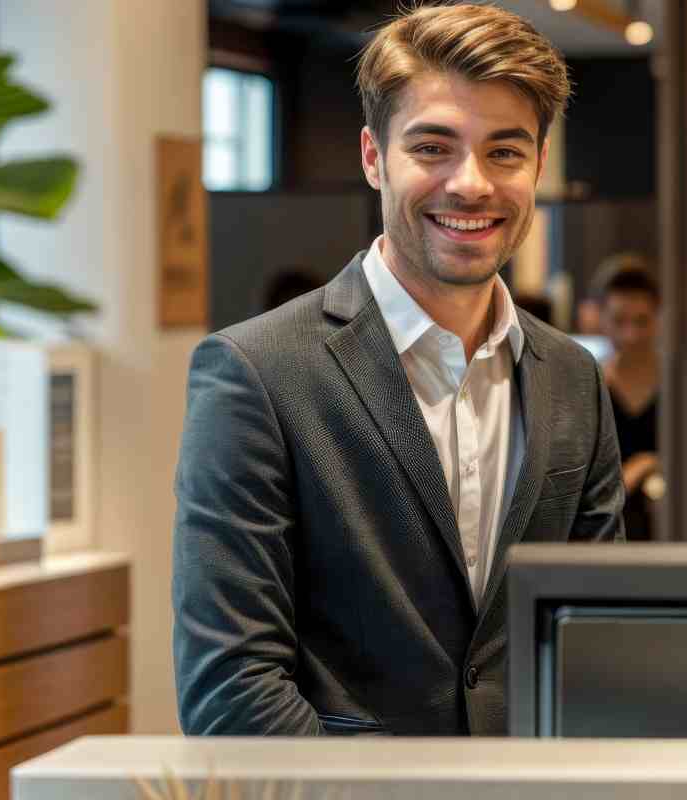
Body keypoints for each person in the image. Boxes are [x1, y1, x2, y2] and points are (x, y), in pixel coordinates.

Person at [172, 4, 624, 737]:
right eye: (433, 147)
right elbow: (232, 689)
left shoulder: (572, 376)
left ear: (538, 164)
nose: (471, 184)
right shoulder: (256, 374)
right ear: (374, 156)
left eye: (505, 152)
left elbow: (601, 644)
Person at [597, 255, 661, 540]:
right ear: (601, 319)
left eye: (641, 321)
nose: (631, 334)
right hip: (608, 530)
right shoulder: (588, 386)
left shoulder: (680, 389)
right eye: (619, 321)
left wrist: (650, 462)